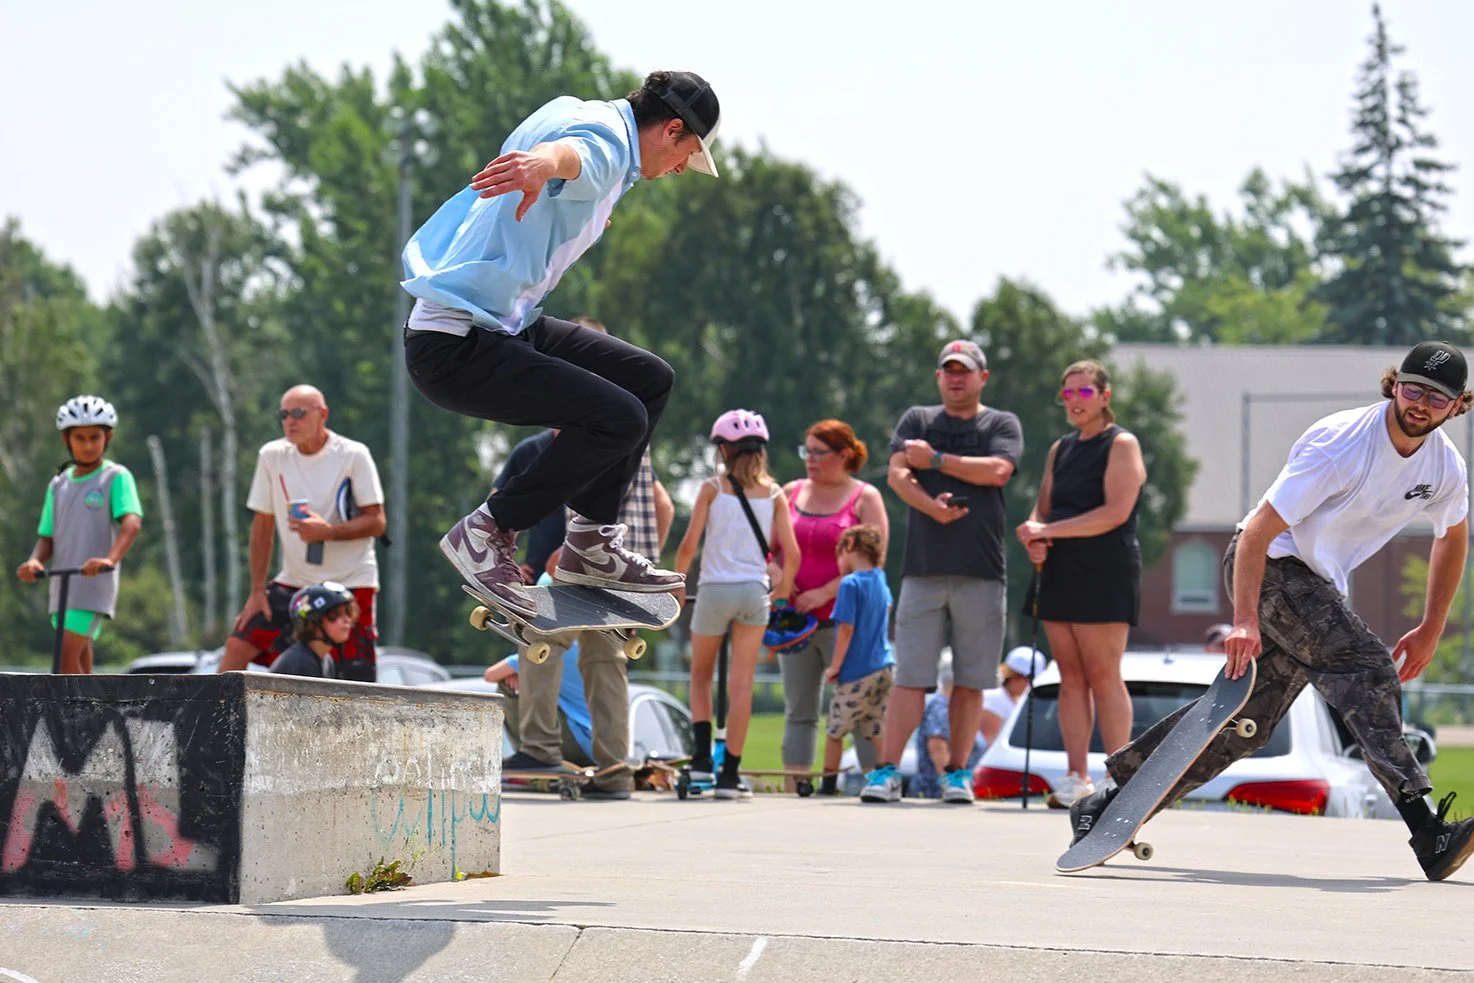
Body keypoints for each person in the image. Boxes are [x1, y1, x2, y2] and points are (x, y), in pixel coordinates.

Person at [1068, 342, 1474, 882]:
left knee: (1245, 728)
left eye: (1437, 398)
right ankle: (1427, 831)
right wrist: (1243, 619)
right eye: (1413, 389)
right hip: (1270, 569)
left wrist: (1430, 627)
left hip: (1317, 587)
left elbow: (1453, 537)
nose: (1421, 404)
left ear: (1458, 405)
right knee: (1367, 664)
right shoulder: (1342, 442)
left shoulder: (1445, 465)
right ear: (1393, 384)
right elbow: (1257, 531)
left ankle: (1106, 803)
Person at [401, 71, 721, 614]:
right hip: (455, 344)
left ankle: (590, 544)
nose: (676, 173)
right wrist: (546, 166)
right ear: (671, 130)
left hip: (504, 323)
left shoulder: (577, 107)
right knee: (619, 417)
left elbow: (569, 154)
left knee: (648, 381)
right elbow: (575, 155)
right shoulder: (610, 145)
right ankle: (488, 530)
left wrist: (576, 197)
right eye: (684, 157)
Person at [862, 340, 1022, 806]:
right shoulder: (917, 419)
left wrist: (934, 461)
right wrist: (932, 506)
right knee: (911, 676)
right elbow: (896, 474)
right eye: (948, 371)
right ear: (938, 377)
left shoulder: (1000, 423)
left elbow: (997, 471)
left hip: (982, 569)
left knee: (971, 680)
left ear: (982, 378)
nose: (956, 378)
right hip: (923, 569)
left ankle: (957, 773)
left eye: (965, 371)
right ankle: (886, 772)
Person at [1016, 360, 1147, 808]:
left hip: (1105, 569)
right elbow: (1042, 509)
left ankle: (1119, 778)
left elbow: (1115, 512)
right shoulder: (1061, 448)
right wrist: (1032, 531)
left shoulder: (1121, 443)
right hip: (1060, 568)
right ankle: (1077, 778)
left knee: (1103, 675)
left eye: (1084, 392)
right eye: (1067, 393)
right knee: (1070, 676)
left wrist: (1047, 532)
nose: (1074, 400)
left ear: (1104, 397)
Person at [674, 410, 800, 799]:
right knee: (742, 684)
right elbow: (791, 554)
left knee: (700, 676)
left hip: (714, 591)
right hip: (752, 592)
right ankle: (730, 774)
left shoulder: (713, 489)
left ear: (724, 450)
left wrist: (677, 585)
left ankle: (699, 764)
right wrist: (783, 590)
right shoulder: (776, 495)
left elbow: (689, 545)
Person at [223, 385, 386, 682]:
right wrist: (257, 590)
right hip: (295, 582)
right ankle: (222, 724)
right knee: (237, 645)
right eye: (284, 414)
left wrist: (328, 531)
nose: (289, 421)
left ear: (322, 415)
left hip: (350, 583)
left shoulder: (353, 455)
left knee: (355, 680)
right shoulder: (272, 456)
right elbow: (262, 527)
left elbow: (377, 522)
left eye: (298, 413)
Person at [779, 419, 889, 778]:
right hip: (796, 624)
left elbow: (875, 560)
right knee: (799, 710)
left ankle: (873, 784)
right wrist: (775, 573)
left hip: (847, 624)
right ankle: (797, 786)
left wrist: (826, 591)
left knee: (859, 711)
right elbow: (767, 548)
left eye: (818, 452)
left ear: (844, 455)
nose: (809, 459)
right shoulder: (791, 491)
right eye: (806, 451)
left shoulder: (865, 497)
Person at [16, 396, 143, 674]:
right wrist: (35, 561)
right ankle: (93, 717)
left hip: (92, 583)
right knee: (81, 665)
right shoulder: (58, 484)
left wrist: (109, 559)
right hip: (61, 584)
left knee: (64, 659)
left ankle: (70, 718)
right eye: (80, 438)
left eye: (94, 437)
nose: (88, 445)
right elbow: (47, 536)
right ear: (66, 440)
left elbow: (131, 522)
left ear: (107, 436)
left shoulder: (115, 477)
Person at [818, 526, 894, 796]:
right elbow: (886, 610)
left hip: (857, 670)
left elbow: (846, 629)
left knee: (835, 729)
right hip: (885, 665)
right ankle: (887, 778)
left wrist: (836, 667)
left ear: (849, 545)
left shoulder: (850, 584)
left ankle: (827, 784)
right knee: (875, 727)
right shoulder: (880, 579)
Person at [484, 640, 596, 770]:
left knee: (506, 686)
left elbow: (490, 675)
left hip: (575, 743)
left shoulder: (549, 649)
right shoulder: (584, 646)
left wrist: (517, 672)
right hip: (596, 747)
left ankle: (534, 754)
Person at [270, 583, 359, 679]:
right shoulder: (301, 664)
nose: (347, 619)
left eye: (348, 612)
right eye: (335, 613)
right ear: (313, 622)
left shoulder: (325, 659)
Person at [979, 646, 1049, 748]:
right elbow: (988, 743)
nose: (1030, 686)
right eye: (1030, 681)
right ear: (1017, 677)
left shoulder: (1014, 699)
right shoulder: (994, 698)